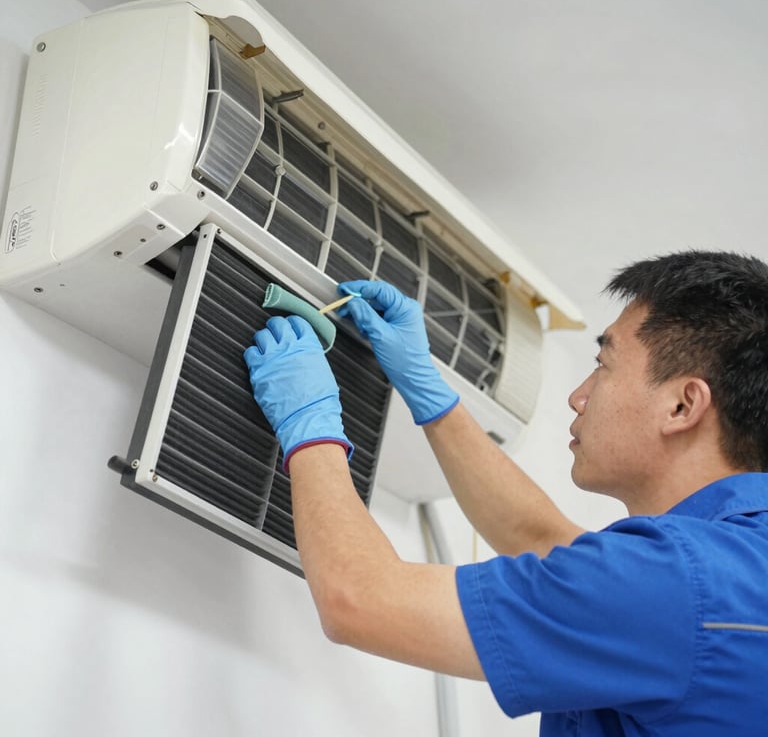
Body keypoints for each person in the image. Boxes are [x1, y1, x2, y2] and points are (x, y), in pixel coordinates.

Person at [242, 250, 768, 736]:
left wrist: (309, 427)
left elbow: (358, 601)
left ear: (683, 406)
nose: (577, 396)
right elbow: (540, 538)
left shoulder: (677, 582)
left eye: (603, 365)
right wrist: (427, 389)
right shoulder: (735, 567)